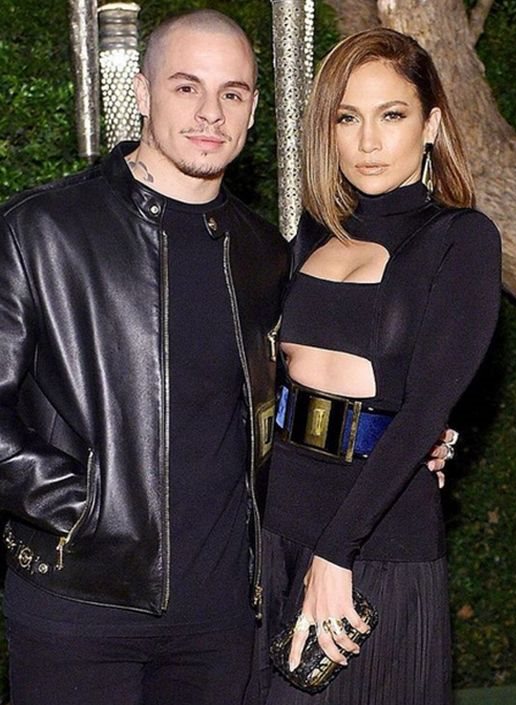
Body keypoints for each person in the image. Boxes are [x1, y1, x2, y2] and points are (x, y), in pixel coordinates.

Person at [0, 10, 290, 705]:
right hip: (80, 604)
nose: (211, 113)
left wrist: (402, 438)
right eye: (186, 87)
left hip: (223, 616)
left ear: (253, 108)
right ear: (142, 91)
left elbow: (291, 403)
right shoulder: (41, 229)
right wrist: (86, 510)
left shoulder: (263, 251)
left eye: (232, 92)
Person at [260, 28, 501, 705]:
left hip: (377, 536)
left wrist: (336, 553)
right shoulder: (312, 232)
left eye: (391, 114)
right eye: (348, 117)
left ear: (431, 126)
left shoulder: (460, 239)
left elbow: (424, 408)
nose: (368, 141)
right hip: (277, 525)